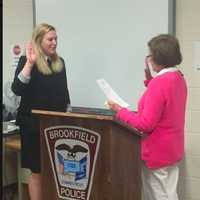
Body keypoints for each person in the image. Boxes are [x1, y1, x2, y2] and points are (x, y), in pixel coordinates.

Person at [107, 34, 187, 200]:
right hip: (171, 149)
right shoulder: (178, 77)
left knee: (159, 196)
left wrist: (119, 111)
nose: (148, 59)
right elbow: (165, 103)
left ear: (157, 57)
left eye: (150, 55)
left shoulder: (160, 83)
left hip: (157, 152)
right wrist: (150, 80)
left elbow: (145, 124)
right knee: (169, 193)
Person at [11, 23, 71, 200]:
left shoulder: (60, 63)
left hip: (55, 127)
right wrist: (29, 64)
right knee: (37, 172)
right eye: (50, 39)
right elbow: (17, 88)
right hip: (32, 127)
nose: (54, 43)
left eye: (56, 39)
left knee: (56, 170)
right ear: (39, 40)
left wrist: (68, 115)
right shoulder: (26, 61)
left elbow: (64, 93)